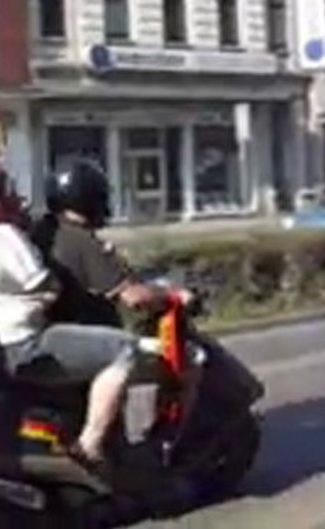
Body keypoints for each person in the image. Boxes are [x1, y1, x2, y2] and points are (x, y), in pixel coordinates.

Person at [0, 150, 172, 471]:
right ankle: (90, 447)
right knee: (124, 350)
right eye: (3, 188)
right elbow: (47, 286)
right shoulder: (3, 237)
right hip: (25, 343)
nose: (13, 195)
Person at [31, 158, 205, 422]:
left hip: (50, 335)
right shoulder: (81, 241)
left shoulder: (43, 231)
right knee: (190, 362)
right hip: (84, 338)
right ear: (92, 198)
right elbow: (134, 297)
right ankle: (168, 439)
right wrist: (176, 296)